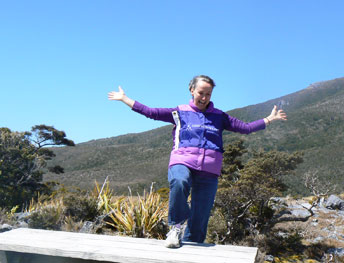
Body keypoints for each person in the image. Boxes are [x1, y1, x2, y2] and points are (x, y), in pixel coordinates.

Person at [108, 75, 287, 248]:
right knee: (179, 181)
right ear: (192, 90)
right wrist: (125, 99)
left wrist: (269, 119)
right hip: (182, 160)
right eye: (201, 93)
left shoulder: (219, 116)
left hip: (209, 168)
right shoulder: (179, 112)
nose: (204, 97)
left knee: (200, 215)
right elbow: (151, 112)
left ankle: (192, 249)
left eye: (208, 94)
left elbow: (245, 128)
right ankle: (176, 227)